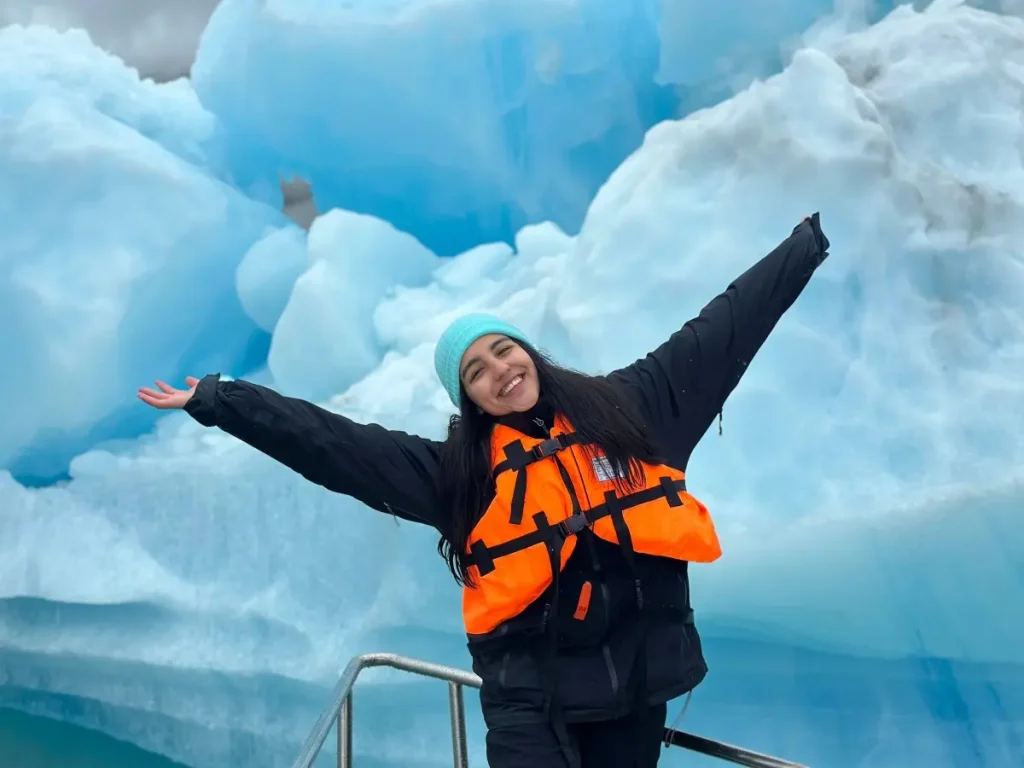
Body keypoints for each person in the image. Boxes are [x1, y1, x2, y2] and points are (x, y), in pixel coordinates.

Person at [138, 214, 830, 768]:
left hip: (633, 693)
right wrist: (223, 401)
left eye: (503, 350)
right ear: (467, 397)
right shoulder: (460, 474)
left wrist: (803, 247)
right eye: (475, 369)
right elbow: (338, 448)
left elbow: (720, 332)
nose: (499, 370)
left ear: (527, 351)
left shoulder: (631, 411)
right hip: (532, 703)